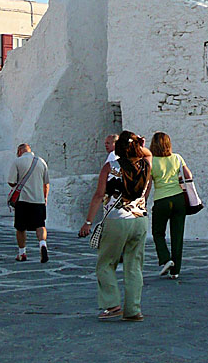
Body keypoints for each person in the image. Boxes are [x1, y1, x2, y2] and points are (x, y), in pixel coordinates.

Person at [80, 130, 151, 322]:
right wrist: (139, 145)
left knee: (106, 263)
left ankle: (112, 305)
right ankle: (134, 310)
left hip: (117, 220)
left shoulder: (110, 167)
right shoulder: (146, 166)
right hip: (140, 220)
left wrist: (88, 221)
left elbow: (98, 195)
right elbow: (148, 156)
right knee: (134, 265)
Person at [149, 131, 192, 279]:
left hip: (161, 200)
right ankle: (176, 271)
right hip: (179, 199)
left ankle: (166, 259)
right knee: (177, 235)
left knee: (158, 232)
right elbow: (189, 176)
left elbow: (149, 183)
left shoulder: (151, 161)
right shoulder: (177, 158)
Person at [7, 143, 50, 263]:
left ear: (20, 151)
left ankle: (22, 253)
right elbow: (46, 183)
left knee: (21, 228)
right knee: (40, 225)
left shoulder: (18, 162)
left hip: (23, 200)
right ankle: (42, 244)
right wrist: (45, 197)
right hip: (39, 200)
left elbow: (11, 182)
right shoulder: (41, 162)